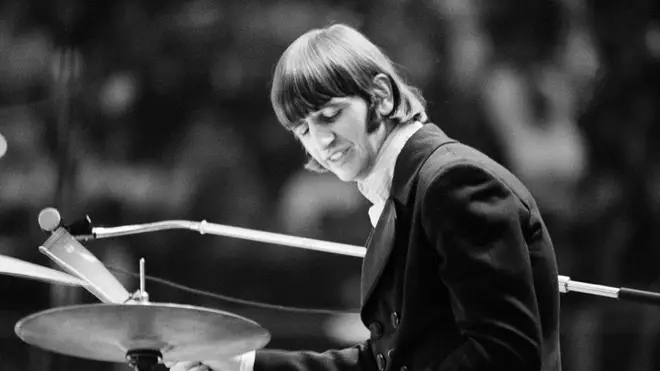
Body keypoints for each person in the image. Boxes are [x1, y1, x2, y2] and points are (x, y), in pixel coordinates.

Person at [170, 23, 561, 371]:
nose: (320, 142)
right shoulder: (411, 191)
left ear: (381, 96)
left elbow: (506, 355)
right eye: (303, 129)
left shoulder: (452, 182)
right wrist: (241, 364)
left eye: (330, 115)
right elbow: (380, 362)